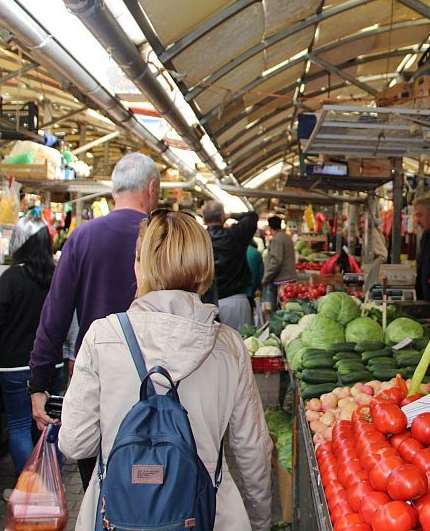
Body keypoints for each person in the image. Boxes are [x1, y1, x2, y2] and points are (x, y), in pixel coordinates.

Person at [57, 210, 273, 531]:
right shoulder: (228, 346)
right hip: (209, 515)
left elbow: (76, 443)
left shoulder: (103, 336)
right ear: (204, 266)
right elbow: (252, 449)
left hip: (116, 515)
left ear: (141, 266)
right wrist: (260, 519)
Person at [28, 153, 160, 490]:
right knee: (152, 478)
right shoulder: (162, 238)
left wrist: (39, 382)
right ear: (151, 188)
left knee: (98, 485)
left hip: (96, 381)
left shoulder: (82, 238)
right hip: (158, 379)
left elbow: (55, 314)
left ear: (113, 191)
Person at [0, 216, 61, 479]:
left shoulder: (11, 277)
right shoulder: (56, 276)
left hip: (14, 364)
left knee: (18, 426)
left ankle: (28, 490)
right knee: (50, 424)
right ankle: (51, 484)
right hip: (51, 363)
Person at [203, 201, 258, 330]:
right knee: (243, 339)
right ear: (222, 217)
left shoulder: (199, 239)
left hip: (208, 305)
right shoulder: (235, 235)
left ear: (204, 219)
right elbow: (252, 216)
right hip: (237, 301)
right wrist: (231, 215)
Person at [262, 215, 296, 311]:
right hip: (289, 277)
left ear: (270, 227)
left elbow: (276, 261)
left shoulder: (277, 239)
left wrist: (267, 277)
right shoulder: (286, 237)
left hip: (281, 278)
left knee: (279, 309)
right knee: (286, 307)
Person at [245, 239, 264, 315]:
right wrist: (260, 287)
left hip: (239, 291)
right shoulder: (256, 253)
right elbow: (261, 272)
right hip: (252, 288)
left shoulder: (238, 251)